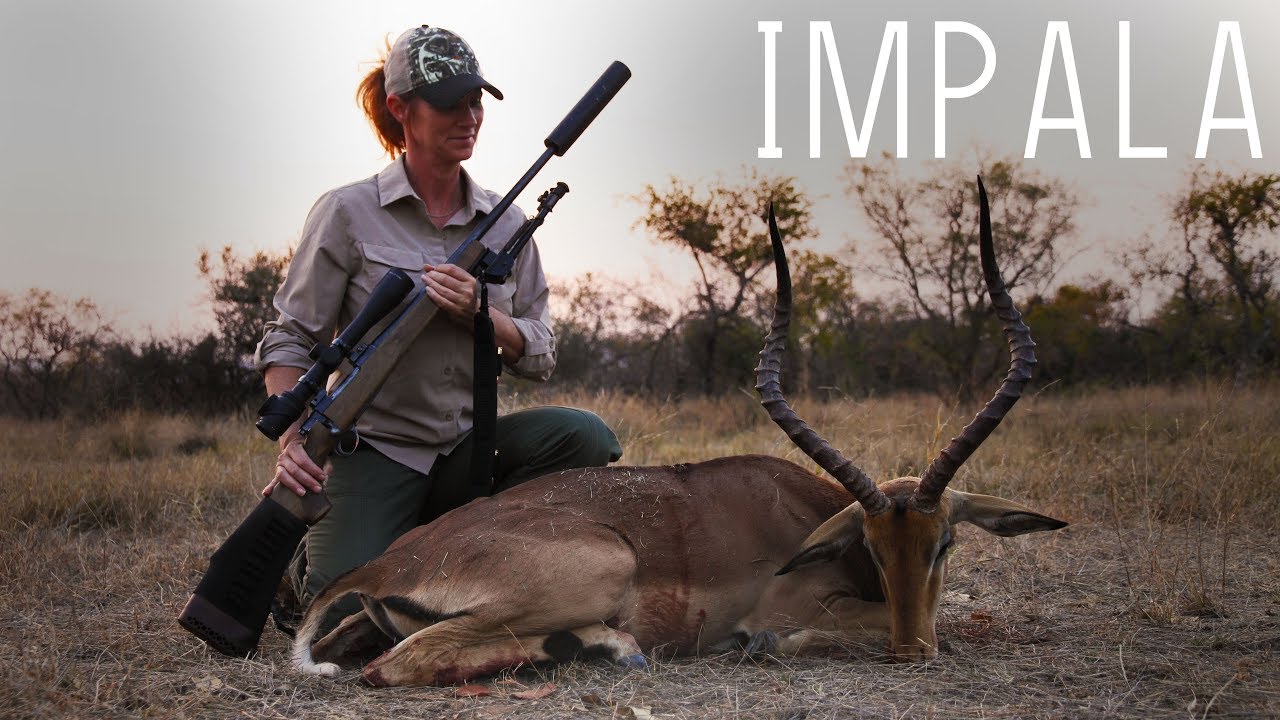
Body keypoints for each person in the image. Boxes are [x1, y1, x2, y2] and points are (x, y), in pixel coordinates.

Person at [253, 25, 623, 619]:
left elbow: (541, 352)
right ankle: (309, 564)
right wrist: (295, 441)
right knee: (345, 617)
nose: (469, 117)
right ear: (401, 109)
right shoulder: (346, 211)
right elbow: (291, 338)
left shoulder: (508, 222)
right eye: (450, 103)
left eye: (476, 101)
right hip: (374, 449)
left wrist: (483, 316)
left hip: (470, 453)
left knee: (587, 436)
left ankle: (479, 553)